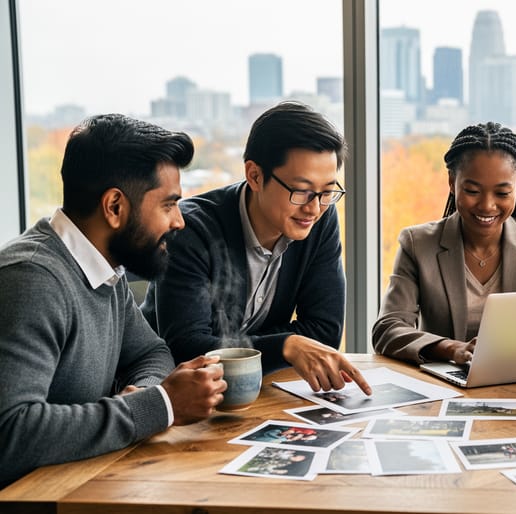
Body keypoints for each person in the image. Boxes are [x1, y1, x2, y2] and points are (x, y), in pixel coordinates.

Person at [0, 114, 226, 486]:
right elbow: (12, 432)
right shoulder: (32, 280)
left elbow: (150, 352)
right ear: (115, 207)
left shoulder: (105, 268)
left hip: (84, 484)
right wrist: (160, 405)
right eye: (168, 205)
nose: (179, 222)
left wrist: (143, 393)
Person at [142, 101, 370, 395]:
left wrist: (233, 345)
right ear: (255, 176)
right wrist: (287, 344)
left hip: (258, 389)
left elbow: (325, 333)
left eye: (327, 192)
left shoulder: (320, 220)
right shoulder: (190, 229)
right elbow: (188, 348)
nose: (314, 208)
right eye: (301, 191)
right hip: (177, 393)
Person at [373, 122, 516, 364]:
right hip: (444, 387)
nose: (487, 206)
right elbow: (387, 329)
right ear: (452, 182)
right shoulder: (418, 244)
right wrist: (450, 348)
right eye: (472, 191)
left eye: (502, 193)